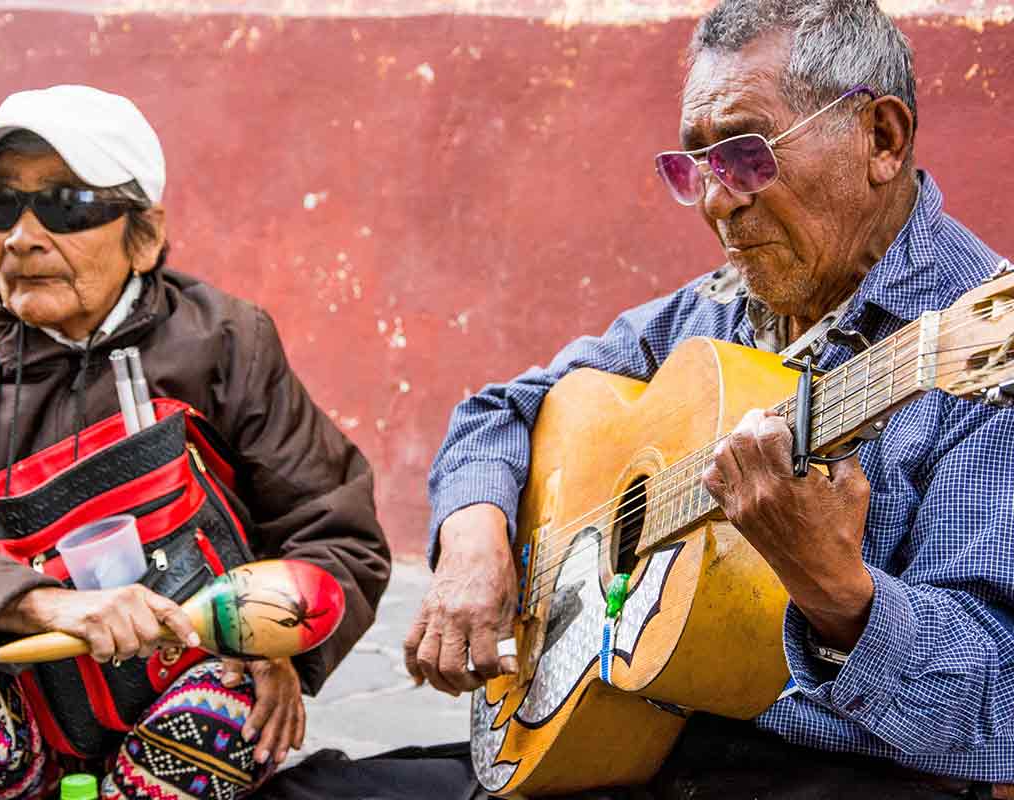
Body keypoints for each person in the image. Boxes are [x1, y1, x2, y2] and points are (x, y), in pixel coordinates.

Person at [407, 1, 1014, 797]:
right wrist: (474, 537)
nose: (715, 201)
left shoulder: (983, 358)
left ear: (882, 139)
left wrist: (841, 598)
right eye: (693, 167)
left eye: (746, 156)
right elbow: (499, 413)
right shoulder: (715, 311)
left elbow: (998, 715)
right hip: (638, 731)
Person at [0, 84, 391, 800]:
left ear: (146, 234)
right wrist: (44, 606)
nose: (23, 237)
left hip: (184, 687)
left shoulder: (225, 344)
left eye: (67, 206)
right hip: (17, 703)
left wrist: (275, 640)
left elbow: (338, 533)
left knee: (227, 714)